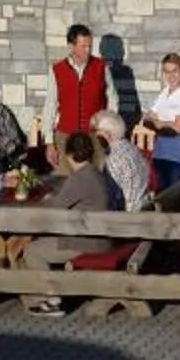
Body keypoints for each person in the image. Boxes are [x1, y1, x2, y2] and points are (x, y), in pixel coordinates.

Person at [21, 130, 119, 310]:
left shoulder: (80, 178)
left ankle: (49, 299)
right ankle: (44, 293)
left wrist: (46, 200)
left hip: (85, 242)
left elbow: (55, 208)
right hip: (98, 237)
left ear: (69, 154)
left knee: (32, 251)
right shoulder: (95, 173)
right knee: (39, 244)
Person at [141, 52, 180, 194]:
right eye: (167, 71)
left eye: (175, 71)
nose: (170, 76)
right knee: (160, 202)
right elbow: (147, 119)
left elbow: (177, 128)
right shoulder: (164, 92)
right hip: (160, 156)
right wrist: (163, 124)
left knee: (175, 207)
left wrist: (158, 124)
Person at [51, 23, 109, 141]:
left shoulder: (102, 67)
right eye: (83, 46)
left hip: (95, 136)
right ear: (71, 46)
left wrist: (107, 128)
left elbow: (113, 99)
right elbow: (50, 105)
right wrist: (48, 140)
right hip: (66, 137)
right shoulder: (57, 69)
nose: (88, 50)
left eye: (90, 46)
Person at [91, 106, 150, 212]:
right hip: (143, 207)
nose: (94, 135)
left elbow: (111, 200)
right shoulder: (131, 148)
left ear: (107, 134)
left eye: (96, 131)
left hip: (125, 218)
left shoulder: (113, 159)